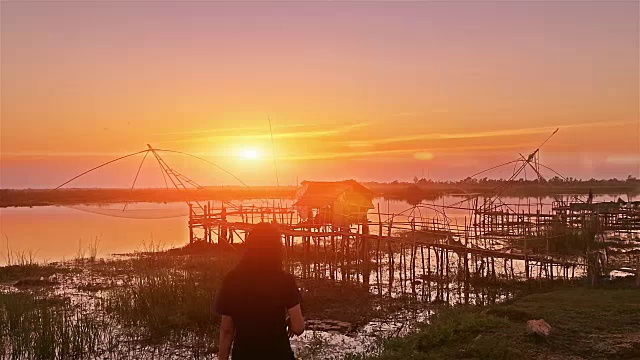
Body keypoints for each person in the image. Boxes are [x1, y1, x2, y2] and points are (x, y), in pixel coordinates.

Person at [216, 222, 305, 360]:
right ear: (277, 248)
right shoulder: (285, 280)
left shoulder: (232, 280)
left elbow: (226, 330)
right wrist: (290, 322)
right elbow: (298, 327)